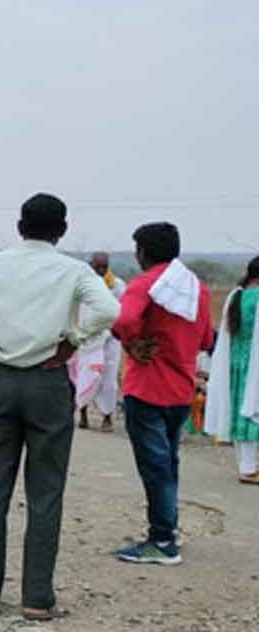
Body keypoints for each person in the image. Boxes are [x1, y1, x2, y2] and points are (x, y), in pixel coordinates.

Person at [0, 193, 119, 621]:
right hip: (48, 382)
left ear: (19, 227)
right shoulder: (73, 270)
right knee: (45, 492)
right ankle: (36, 599)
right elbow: (108, 308)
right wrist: (73, 339)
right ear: (62, 230)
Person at [110, 222, 213, 566]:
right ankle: (168, 528)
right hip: (181, 389)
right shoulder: (195, 287)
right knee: (168, 463)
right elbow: (205, 340)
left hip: (147, 387)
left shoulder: (144, 284)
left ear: (143, 252)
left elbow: (122, 321)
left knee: (155, 467)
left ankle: (162, 541)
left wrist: (131, 342)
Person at [204, 256, 259, 485]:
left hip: (235, 363)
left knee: (240, 410)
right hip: (253, 363)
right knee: (251, 412)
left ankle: (246, 465)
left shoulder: (235, 295)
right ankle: (248, 469)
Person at [71, 252, 127, 433]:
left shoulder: (117, 286)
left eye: (105, 267)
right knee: (87, 374)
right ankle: (84, 414)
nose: (101, 271)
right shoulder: (81, 284)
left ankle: (107, 416)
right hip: (88, 337)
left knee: (109, 380)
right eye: (98, 267)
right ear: (91, 265)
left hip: (111, 337)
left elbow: (123, 311)